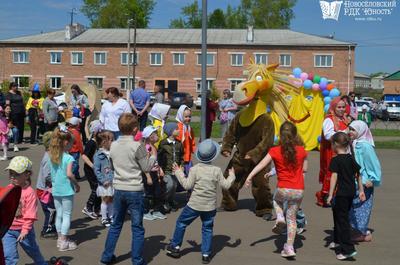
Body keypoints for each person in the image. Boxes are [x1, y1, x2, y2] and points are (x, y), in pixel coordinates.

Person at [166, 139, 235, 264]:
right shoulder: (216, 170)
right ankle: (205, 254)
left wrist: (178, 172)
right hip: (209, 207)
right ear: (213, 156)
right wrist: (232, 176)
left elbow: (187, 185)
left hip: (194, 205)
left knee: (181, 223)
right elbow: (226, 185)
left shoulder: (195, 169)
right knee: (207, 229)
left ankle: (175, 247)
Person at [100, 113, 156, 265]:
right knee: (137, 227)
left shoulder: (114, 145)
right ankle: (137, 260)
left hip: (119, 188)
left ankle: (106, 256)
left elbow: (111, 166)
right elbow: (146, 167)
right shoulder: (138, 146)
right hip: (135, 189)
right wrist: (153, 156)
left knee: (116, 224)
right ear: (135, 129)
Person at [245, 122, 308, 258]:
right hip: (298, 190)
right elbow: (305, 169)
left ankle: (279, 217)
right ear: (295, 134)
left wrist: (249, 177)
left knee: (276, 200)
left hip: (283, 188)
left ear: (280, 135)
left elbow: (261, 164)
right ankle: (290, 247)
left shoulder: (275, 151)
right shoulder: (302, 151)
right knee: (292, 219)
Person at [326, 132, 365, 260]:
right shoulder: (350, 158)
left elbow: (334, 177)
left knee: (342, 220)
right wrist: (361, 190)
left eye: (331, 144)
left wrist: (330, 194)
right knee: (338, 215)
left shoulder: (336, 160)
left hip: (342, 193)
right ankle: (337, 240)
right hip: (350, 192)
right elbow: (358, 175)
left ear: (336, 145)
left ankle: (348, 249)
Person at [3, 156, 47, 265]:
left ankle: (42, 263)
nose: (12, 177)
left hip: (23, 230)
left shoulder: (29, 192)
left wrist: (25, 230)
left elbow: (30, 214)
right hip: (8, 229)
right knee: (9, 255)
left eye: (16, 174)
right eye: (11, 174)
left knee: (33, 251)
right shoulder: (9, 188)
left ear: (27, 175)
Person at [348, 120, 381, 242]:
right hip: (352, 182)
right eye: (349, 129)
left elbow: (373, 164)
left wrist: (373, 179)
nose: (350, 132)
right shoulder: (351, 143)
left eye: (353, 129)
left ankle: (362, 233)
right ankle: (357, 230)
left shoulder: (365, 146)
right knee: (351, 207)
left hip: (364, 183)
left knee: (361, 209)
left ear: (361, 131)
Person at [49, 125, 80, 251]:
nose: (72, 146)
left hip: (56, 189)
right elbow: (69, 174)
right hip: (66, 189)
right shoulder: (69, 157)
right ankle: (64, 241)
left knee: (59, 214)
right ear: (66, 143)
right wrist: (76, 184)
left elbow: (52, 174)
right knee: (66, 214)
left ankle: (59, 238)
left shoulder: (53, 156)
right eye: (71, 143)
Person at [316, 97, 351, 207]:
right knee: (332, 173)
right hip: (332, 151)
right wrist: (344, 133)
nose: (341, 109)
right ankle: (326, 197)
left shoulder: (345, 119)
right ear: (334, 108)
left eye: (343, 107)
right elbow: (328, 135)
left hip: (344, 151)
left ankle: (340, 196)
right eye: (339, 107)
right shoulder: (329, 119)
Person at [157, 122, 184, 213]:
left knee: (175, 186)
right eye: (176, 129)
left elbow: (181, 156)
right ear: (171, 132)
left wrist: (182, 166)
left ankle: (170, 200)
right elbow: (159, 157)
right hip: (166, 170)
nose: (178, 130)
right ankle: (164, 200)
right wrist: (160, 168)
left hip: (176, 170)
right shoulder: (163, 143)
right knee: (169, 185)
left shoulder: (179, 144)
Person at [141, 126, 166, 221]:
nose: (158, 135)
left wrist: (160, 170)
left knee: (157, 193)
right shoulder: (147, 148)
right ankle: (145, 211)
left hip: (155, 173)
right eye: (155, 133)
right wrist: (148, 177)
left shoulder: (154, 147)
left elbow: (155, 162)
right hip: (149, 174)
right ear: (150, 137)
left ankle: (156, 211)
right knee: (148, 193)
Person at [36, 131, 57, 238]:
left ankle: (51, 226)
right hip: (45, 190)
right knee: (50, 210)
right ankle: (47, 229)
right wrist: (57, 180)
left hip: (46, 189)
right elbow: (47, 175)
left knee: (52, 209)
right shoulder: (48, 158)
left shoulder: (49, 155)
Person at [81, 120, 103, 220]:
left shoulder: (98, 142)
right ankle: (88, 207)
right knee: (96, 188)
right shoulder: (91, 143)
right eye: (100, 131)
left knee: (100, 188)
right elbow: (84, 156)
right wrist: (93, 166)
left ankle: (96, 209)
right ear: (95, 132)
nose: (102, 133)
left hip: (97, 169)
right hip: (90, 170)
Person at [94, 130, 115, 227]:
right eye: (111, 140)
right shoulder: (98, 155)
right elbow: (97, 170)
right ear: (104, 142)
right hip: (105, 181)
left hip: (112, 179)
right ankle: (104, 218)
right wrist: (102, 180)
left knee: (111, 199)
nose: (113, 141)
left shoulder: (111, 152)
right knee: (105, 199)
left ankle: (111, 217)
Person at [175, 105, 196, 175]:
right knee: (181, 175)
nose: (188, 118)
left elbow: (192, 139)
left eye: (189, 117)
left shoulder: (189, 128)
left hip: (188, 155)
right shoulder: (178, 128)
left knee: (189, 174)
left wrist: (193, 148)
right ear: (181, 116)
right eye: (186, 117)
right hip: (180, 157)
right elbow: (177, 143)